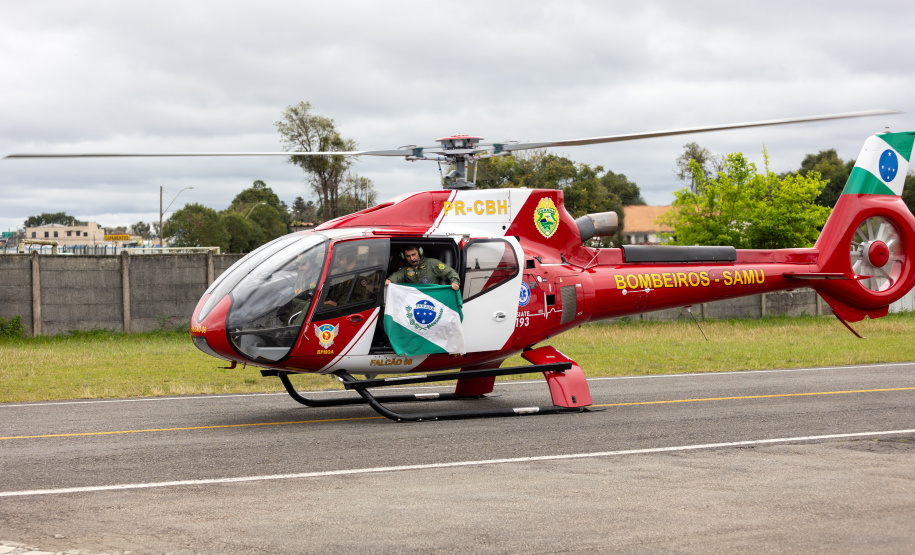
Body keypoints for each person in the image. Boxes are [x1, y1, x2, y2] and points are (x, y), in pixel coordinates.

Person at [386, 245, 460, 290]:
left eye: (414, 254)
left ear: (420, 252)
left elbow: (451, 273)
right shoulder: (405, 268)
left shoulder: (433, 263)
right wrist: (389, 280)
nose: (412, 258)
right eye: (408, 256)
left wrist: (455, 283)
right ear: (404, 257)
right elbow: (397, 276)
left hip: (431, 300)